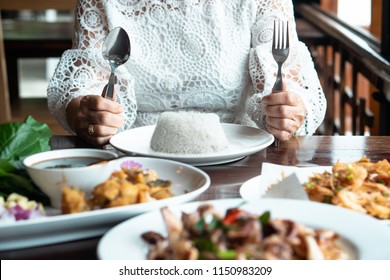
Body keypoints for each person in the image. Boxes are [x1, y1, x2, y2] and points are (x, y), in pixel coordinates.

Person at [47, 0, 326, 146]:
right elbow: (86, 80)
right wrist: (86, 113)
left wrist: (288, 110)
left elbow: (289, 78)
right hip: (135, 157)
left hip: (240, 154)